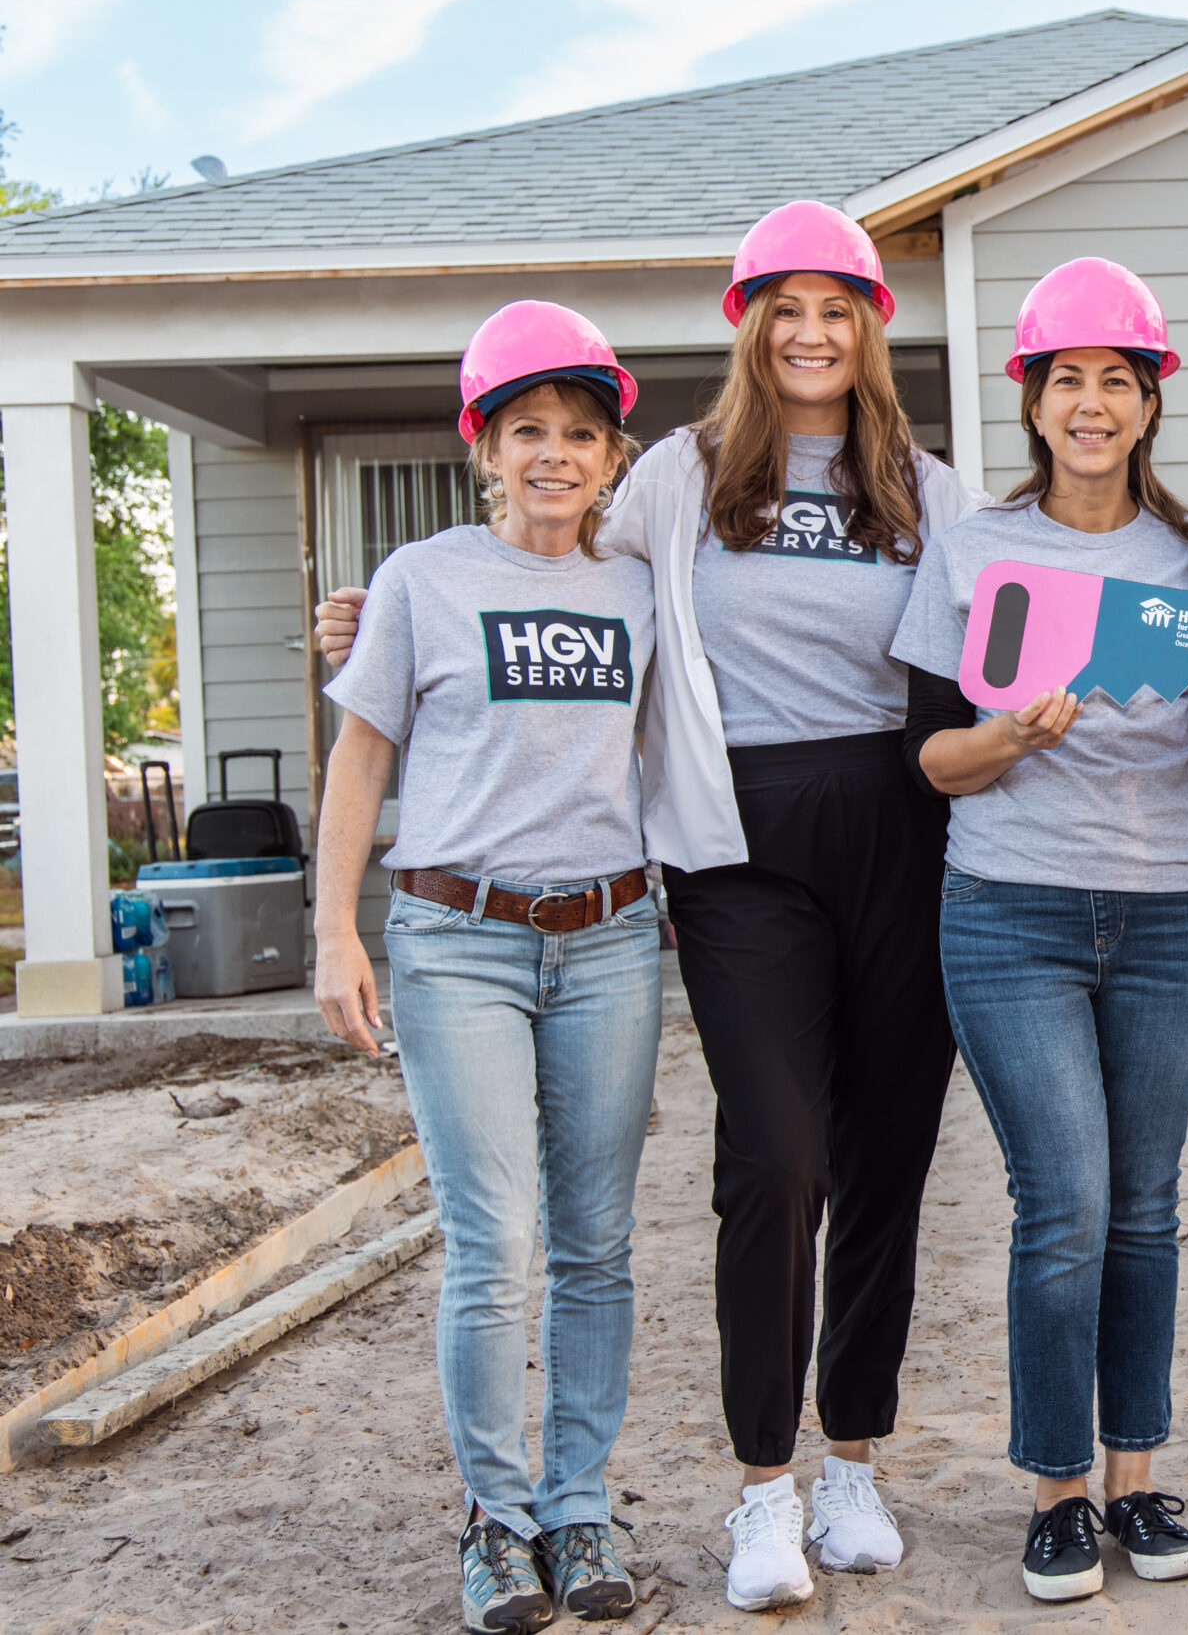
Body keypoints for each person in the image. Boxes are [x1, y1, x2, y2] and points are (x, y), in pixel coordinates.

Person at [317, 201, 986, 1613]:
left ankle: (852, 1461)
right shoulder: (681, 471)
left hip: (900, 822)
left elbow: (1011, 626)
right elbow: (536, 544)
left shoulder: (929, 490)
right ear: (749, 327)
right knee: (777, 1157)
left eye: (838, 308)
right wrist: (375, 616)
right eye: (784, 309)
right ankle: (763, 1488)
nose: (811, 333)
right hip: (736, 838)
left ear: (873, 328)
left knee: (887, 1157)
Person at [892, 257, 1188, 1604]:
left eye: (1119, 379)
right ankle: (1056, 1493)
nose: (1093, 403)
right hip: (1012, 918)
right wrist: (1006, 738)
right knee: (1067, 1203)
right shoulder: (975, 551)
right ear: (1035, 402)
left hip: (1171, 924)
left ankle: (1135, 1480)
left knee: (1146, 1209)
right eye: (1069, 380)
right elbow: (929, 760)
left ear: (1150, 403)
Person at [313, 302, 659, 1633]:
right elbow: (361, 757)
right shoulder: (421, 580)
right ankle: (496, 1519)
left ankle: (579, 1505)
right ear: (484, 448)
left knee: (597, 1242)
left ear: (612, 457)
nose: (554, 455)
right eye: (527, 432)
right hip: (459, 942)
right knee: (493, 1239)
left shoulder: (639, 584)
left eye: (579, 434)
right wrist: (335, 933)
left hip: (612, 940)